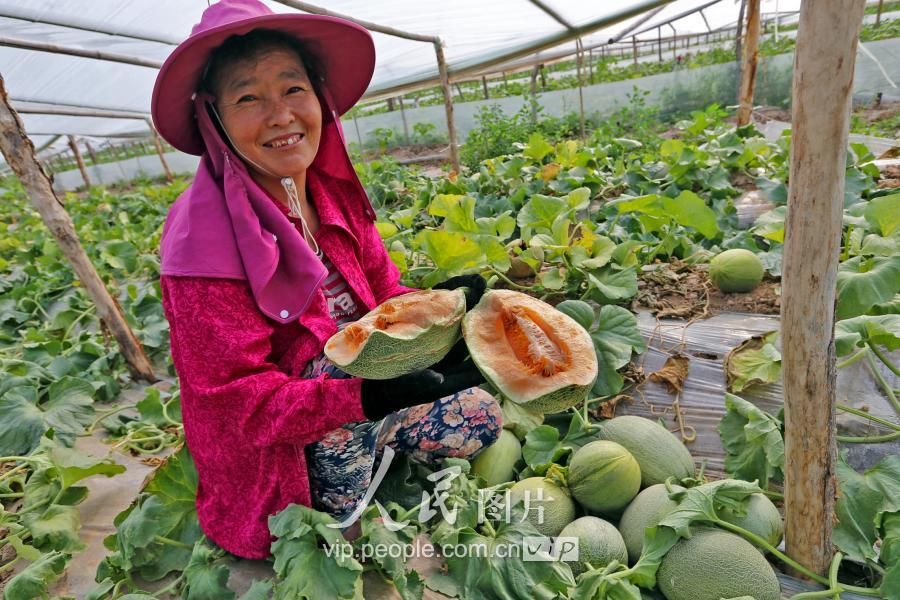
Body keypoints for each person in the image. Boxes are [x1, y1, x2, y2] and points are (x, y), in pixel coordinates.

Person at [151, 0, 501, 560]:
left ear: (318, 95)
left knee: (479, 418)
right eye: (248, 98)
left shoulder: (328, 191)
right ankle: (359, 464)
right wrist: (371, 395)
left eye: (293, 89)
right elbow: (241, 406)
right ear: (212, 118)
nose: (281, 114)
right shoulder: (200, 247)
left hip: (363, 386)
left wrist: (444, 303)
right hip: (282, 442)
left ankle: (382, 438)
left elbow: (387, 296)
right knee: (341, 427)